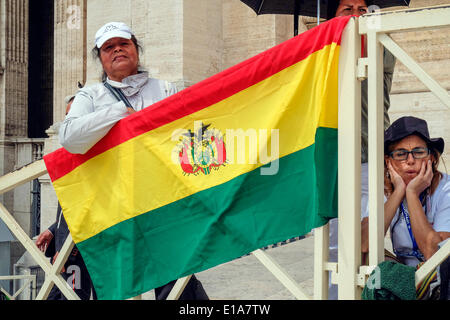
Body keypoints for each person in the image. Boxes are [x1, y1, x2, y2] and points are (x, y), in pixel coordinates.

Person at [58, 21, 208, 300]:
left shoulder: (165, 89)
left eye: (123, 44)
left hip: (161, 202)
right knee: (118, 287)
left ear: (136, 49)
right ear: (100, 58)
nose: (117, 50)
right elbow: (68, 137)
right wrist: (118, 112)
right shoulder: (90, 95)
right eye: (108, 47)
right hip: (114, 207)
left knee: (176, 285)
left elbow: (187, 135)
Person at [325, 0, 396, 299]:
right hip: (333, 163)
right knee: (334, 246)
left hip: (370, 160)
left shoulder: (381, 46)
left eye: (362, 9)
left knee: (367, 243)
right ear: (332, 16)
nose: (356, 16)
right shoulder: (325, 51)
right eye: (347, 10)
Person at [361, 116, 450, 299]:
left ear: (431, 157)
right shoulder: (384, 191)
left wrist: (412, 194)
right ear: (388, 162)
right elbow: (363, 243)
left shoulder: (446, 189)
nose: (410, 161)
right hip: (406, 273)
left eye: (418, 152)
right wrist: (399, 192)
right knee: (367, 256)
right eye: (400, 154)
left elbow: (435, 254)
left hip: (441, 277)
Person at [35, 95, 97, 300]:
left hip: (76, 252)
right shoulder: (77, 155)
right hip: (68, 249)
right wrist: (53, 230)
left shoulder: (91, 159)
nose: (66, 122)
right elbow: (71, 209)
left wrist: (65, 251)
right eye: (66, 116)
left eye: (72, 116)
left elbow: (87, 211)